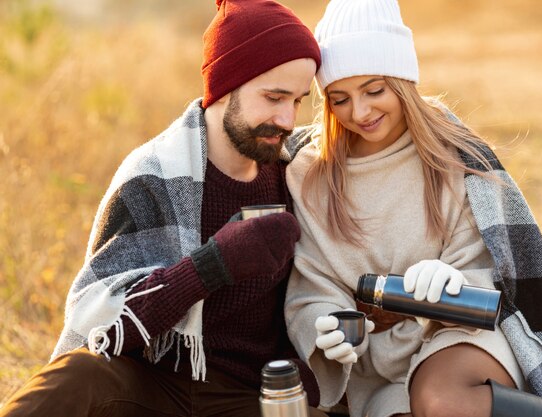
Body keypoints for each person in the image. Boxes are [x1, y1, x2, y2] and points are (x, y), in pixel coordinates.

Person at [284, 0, 542, 417]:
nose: (360, 112)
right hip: (377, 364)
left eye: (375, 90)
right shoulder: (309, 173)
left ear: (403, 81)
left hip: (460, 336)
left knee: (441, 399)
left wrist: (453, 278)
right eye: (339, 99)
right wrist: (329, 324)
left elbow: (493, 269)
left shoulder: (452, 156)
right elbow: (311, 281)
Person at [0, 1, 328, 416]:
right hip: (151, 381)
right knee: (77, 377)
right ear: (226, 86)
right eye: (274, 97)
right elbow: (104, 324)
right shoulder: (152, 176)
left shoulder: (295, 171)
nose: (286, 119)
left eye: (298, 101)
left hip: (248, 393)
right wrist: (212, 264)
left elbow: (381, 134)